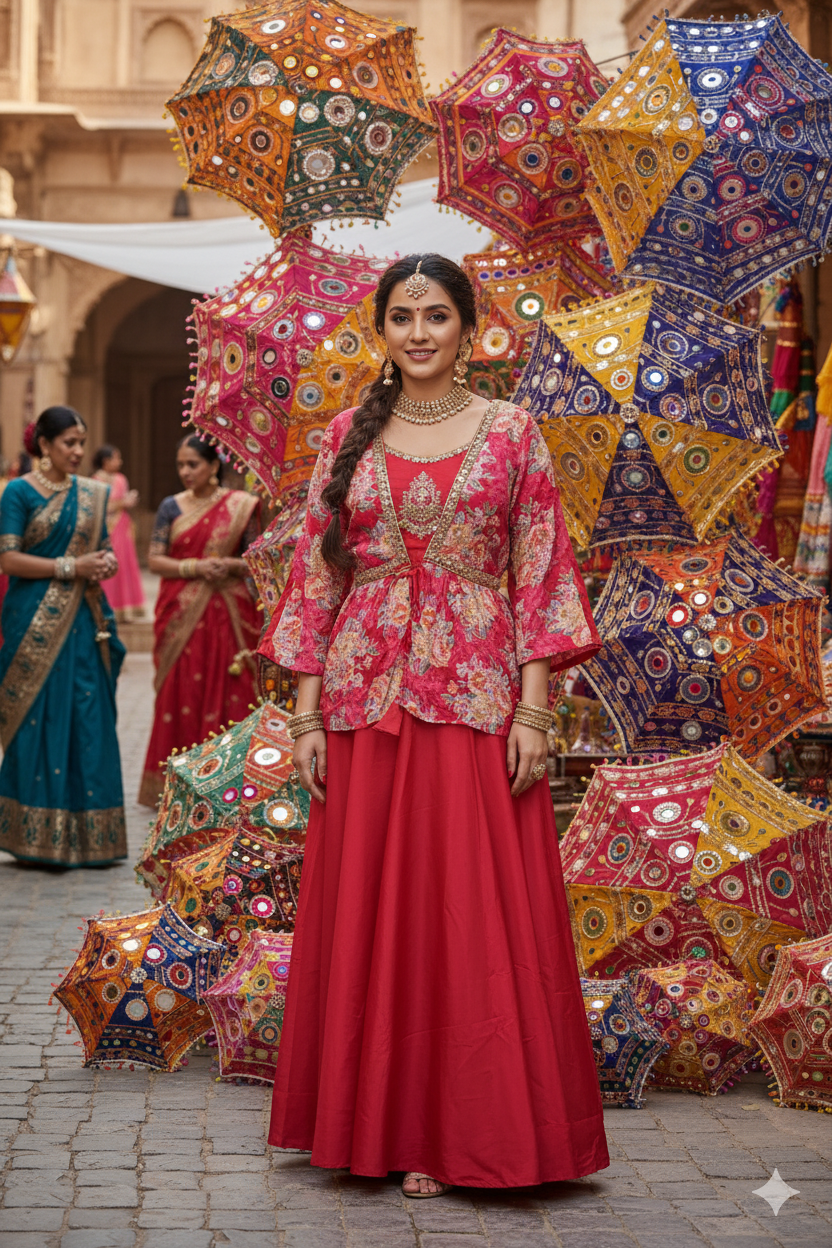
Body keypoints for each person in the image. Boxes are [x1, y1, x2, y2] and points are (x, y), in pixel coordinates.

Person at [262, 255, 609, 1196]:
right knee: (375, 904)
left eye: (438, 316)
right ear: (382, 329)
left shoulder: (511, 433)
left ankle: (468, 1129)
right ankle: (380, 1125)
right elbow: (316, 576)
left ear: (468, 328)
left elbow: (539, 569)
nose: (419, 333)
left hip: (476, 692)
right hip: (361, 700)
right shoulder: (347, 434)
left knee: (466, 908)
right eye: (404, 316)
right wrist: (302, 717)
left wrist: (536, 707)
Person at [0, 405, 126, 866]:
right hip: (30, 619)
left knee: (86, 715)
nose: (77, 451)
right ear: (45, 445)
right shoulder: (18, 493)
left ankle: (94, 839)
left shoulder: (93, 493)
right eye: (69, 443)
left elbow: (105, 550)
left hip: (83, 624)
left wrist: (105, 563)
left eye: (81, 442)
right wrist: (72, 567)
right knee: (39, 716)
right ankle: (32, 837)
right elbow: (8, 560)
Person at [139, 434, 262, 806]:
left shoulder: (243, 505)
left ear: (213, 465)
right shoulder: (170, 508)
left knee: (231, 689)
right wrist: (195, 566)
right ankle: (174, 782)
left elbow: (256, 559)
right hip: (182, 614)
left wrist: (228, 564)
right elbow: (156, 559)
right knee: (183, 690)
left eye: (192, 464)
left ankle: (231, 782)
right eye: (180, 465)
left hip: (230, 611)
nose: (185, 472)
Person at [92, 444, 145, 621]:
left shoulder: (121, 479)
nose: (120, 462)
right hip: (105, 527)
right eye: (116, 458)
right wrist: (123, 503)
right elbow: (98, 506)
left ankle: (125, 609)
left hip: (121, 526)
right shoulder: (95, 481)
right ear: (106, 461)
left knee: (123, 564)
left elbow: (119, 501)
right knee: (106, 563)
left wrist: (125, 502)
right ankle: (106, 607)